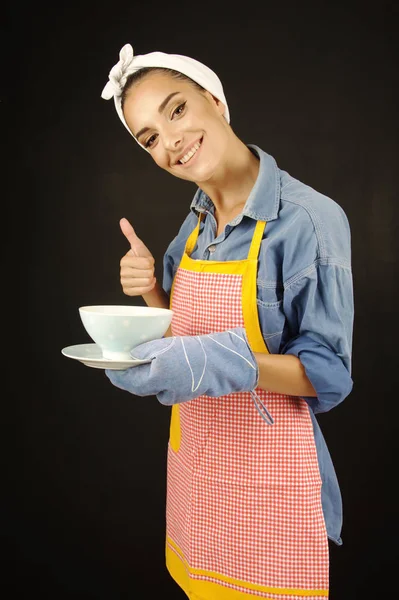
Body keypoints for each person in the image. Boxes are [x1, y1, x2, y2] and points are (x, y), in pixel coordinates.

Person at [101, 43, 354, 599]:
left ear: (214, 100)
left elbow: (330, 375)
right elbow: (183, 336)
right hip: (201, 476)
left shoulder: (307, 220)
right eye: (149, 138)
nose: (170, 141)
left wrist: (227, 361)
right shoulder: (193, 226)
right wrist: (151, 294)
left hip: (269, 489)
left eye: (176, 110)